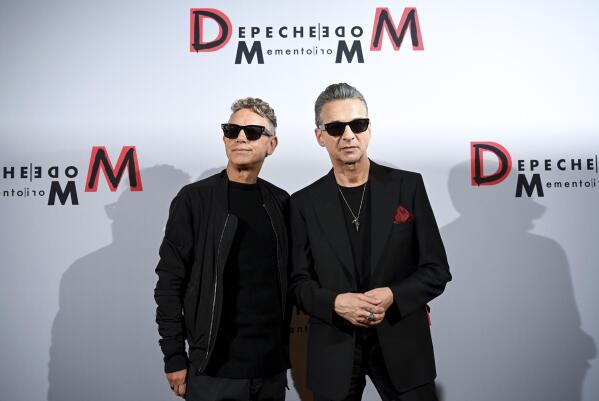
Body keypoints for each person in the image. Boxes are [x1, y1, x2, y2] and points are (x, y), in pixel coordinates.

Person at [289, 83, 451, 401]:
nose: (348, 135)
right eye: (335, 127)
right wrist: (336, 303)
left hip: (403, 343)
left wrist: (393, 295)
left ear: (369, 129)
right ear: (320, 136)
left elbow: (436, 270)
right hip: (334, 349)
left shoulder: (408, 186)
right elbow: (297, 283)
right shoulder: (303, 203)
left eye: (357, 125)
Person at [154, 97, 290, 401]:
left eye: (253, 131)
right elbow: (169, 283)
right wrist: (174, 356)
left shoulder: (281, 202)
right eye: (232, 130)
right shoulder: (194, 201)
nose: (240, 137)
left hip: (270, 371)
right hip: (213, 371)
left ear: (272, 144)